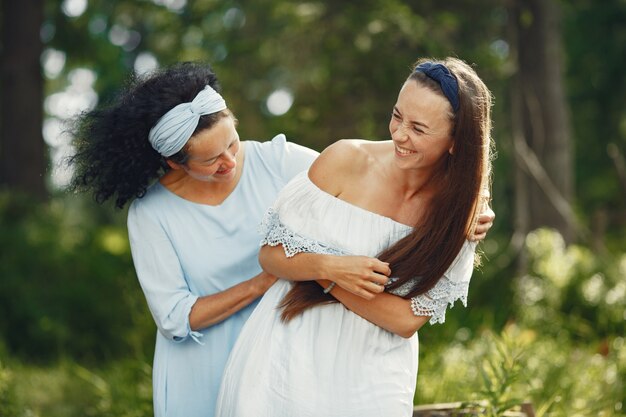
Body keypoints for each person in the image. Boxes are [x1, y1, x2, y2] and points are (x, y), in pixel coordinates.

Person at [68, 62, 494, 417]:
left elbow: (363, 187)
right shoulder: (152, 213)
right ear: (173, 163)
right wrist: (312, 273)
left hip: (304, 340)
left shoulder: (276, 159)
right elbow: (177, 315)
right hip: (203, 356)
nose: (230, 162)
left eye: (232, 144)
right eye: (211, 159)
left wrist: (477, 205)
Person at [215, 57, 494, 417]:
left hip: (376, 377)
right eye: (397, 116)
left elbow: (405, 320)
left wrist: (331, 281)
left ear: (457, 142)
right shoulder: (344, 160)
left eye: (419, 129)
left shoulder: (462, 214)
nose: (399, 134)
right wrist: (332, 266)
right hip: (289, 354)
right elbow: (270, 255)